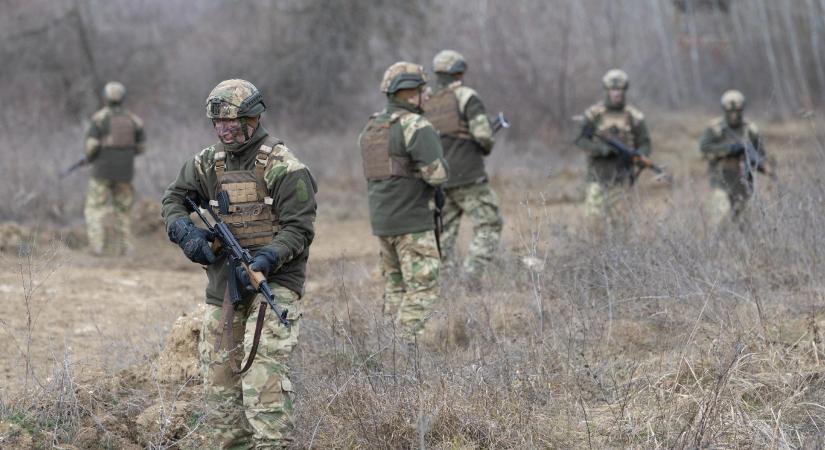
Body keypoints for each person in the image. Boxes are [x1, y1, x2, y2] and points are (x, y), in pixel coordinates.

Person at [161, 79, 317, 448]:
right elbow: (173, 199)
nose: (224, 130)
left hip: (273, 282)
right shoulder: (206, 163)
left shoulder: (284, 166)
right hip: (223, 287)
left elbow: (299, 229)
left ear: (253, 118)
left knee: (263, 380)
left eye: (232, 122)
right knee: (219, 391)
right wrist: (187, 234)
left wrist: (266, 257)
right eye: (218, 123)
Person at [358, 62, 448, 338]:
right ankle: (403, 345)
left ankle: (388, 349)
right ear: (408, 92)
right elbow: (438, 175)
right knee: (423, 288)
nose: (428, 95)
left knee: (395, 287)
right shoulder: (416, 125)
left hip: (384, 222)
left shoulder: (372, 127)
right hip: (413, 222)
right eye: (423, 89)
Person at [425, 49, 503, 277]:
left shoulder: (426, 100)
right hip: (468, 176)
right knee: (490, 223)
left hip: (438, 177)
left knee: (444, 231)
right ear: (459, 72)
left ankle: (446, 279)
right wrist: (486, 142)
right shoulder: (466, 96)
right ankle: (472, 273)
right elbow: (483, 135)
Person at [574, 69, 651, 228]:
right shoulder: (594, 115)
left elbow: (645, 143)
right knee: (594, 223)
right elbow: (580, 140)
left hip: (622, 178)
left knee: (621, 224)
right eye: (613, 90)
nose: (616, 94)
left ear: (624, 91)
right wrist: (601, 149)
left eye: (619, 90)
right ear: (607, 91)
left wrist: (639, 156)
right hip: (597, 177)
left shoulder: (634, 116)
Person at [83, 81, 145, 255]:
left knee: (95, 208)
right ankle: (126, 248)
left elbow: (91, 147)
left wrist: (90, 158)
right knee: (123, 210)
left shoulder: (99, 119)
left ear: (105, 97)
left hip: (101, 172)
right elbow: (141, 148)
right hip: (125, 173)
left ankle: (97, 246)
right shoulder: (134, 120)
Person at [699, 89, 768, 225]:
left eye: (737, 110)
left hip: (744, 181)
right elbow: (704, 147)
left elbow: (761, 154)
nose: (734, 115)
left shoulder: (750, 129)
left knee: (746, 220)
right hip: (720, 179)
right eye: (730, 111)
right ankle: (716, 245)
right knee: (719, 218)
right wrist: (729, 149)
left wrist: (756, 162)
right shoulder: (715, 128)